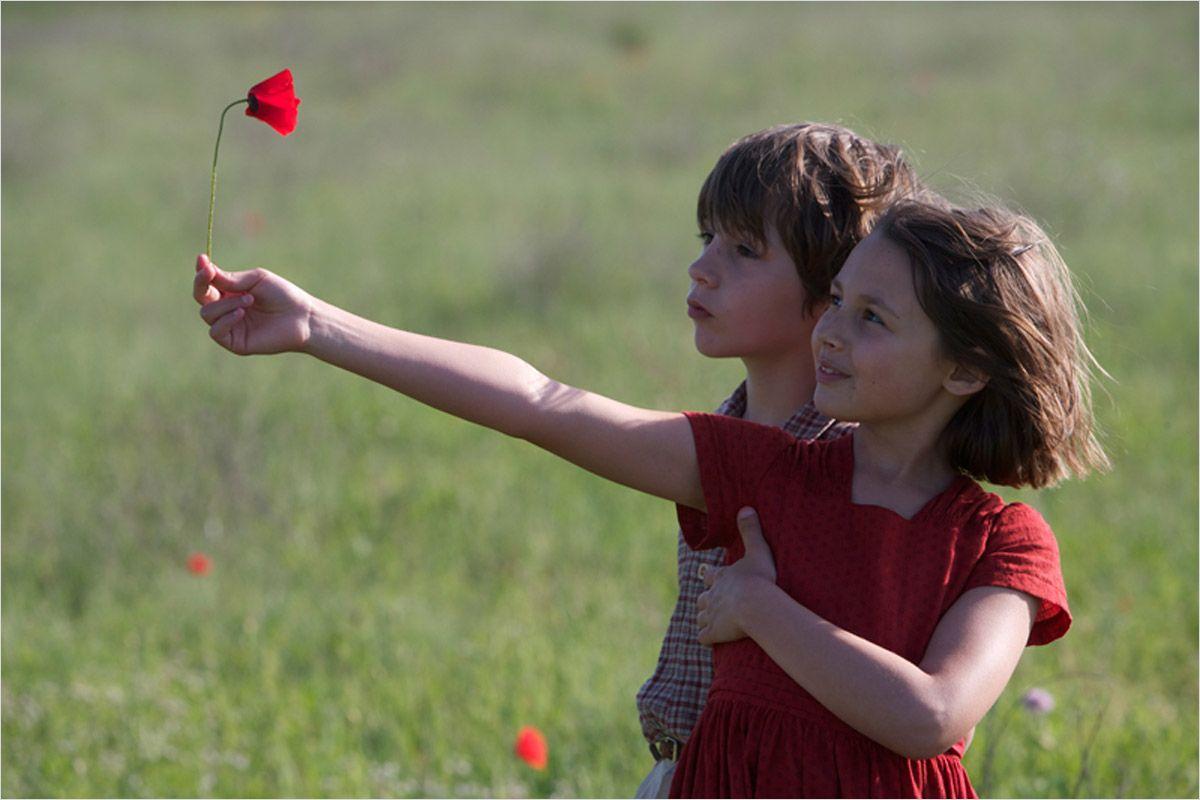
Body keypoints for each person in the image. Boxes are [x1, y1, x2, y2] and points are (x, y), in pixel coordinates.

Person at [193, 194, 1106, 796]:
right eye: (836, 301)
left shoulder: (1004, 543)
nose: (829, 332)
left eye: (873, 319)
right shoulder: (760, 472)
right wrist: (321, 327)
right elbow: (542, 403)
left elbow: (930, 717)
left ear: (967, 368)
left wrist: (760, 606)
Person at [630, 123, 919, 799]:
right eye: (708, 241)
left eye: (744, 250)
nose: (703, 269)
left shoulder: (855, 464)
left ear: (835, 291)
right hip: (679, 774)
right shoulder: (724, 427)